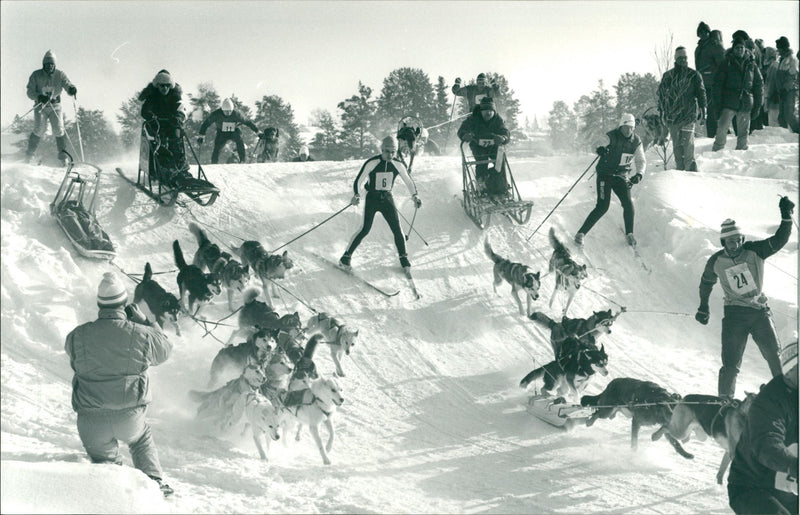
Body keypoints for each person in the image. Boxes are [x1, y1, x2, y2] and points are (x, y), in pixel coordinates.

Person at [64, 272, 174, 496]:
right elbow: (165, 350)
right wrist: (145, 321)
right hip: (129, 418)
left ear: (99, 304)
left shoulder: (77, 335)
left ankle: (115, 492)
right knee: (141, 438)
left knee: (108, 468)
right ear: (124, 304)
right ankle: (154, 483)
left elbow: (72, 356)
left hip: (91, 422)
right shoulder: (141, 334)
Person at [695, 196, 794, 398]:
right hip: (734, 316)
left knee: (775, 357)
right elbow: (706, 283)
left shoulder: (755, 250)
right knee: (730, 364)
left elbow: (780, 240)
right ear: (723, 241)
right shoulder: (716, 260)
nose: (735, 244)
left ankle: (788, 397)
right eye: (730, 241)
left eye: (738, 240)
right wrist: (703, 307)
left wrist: (786, 216)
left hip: (759, 313)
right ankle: (724, 404)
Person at [727, 341, 798, 515]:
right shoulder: (771, 401)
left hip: (789, 493)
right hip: (754, 488)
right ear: (791, 371)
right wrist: (794, 465)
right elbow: (767, 445)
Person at [339, 136, 421, 272]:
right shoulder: (372, 162)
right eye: (387, 151)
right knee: (365, 229)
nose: (390, 155)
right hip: (372, 198)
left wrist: (415, 196)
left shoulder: (398, 164)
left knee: (397, 228)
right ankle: (346, 257)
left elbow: (409, 181)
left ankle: (403, 258)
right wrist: (356, 195)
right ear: (382, 150)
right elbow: (358, 180)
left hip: (387, 198)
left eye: (393, 152)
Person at [574, 113, 645, 247]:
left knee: (628, 204)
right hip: (605, 175)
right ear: (620, 127)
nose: (628, 131)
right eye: (625, 127)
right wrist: (599, 149)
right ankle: (581, 234)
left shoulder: (636, 141)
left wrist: (639, 174)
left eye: (631, 128)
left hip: (621, 176)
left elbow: (640, 159)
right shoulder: (612, 136)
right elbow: (598, 142)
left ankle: (630, 234)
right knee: (603, 206)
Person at [658, 46, 707, 171]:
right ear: (676, 59)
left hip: (689, 114)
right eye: (680, 58)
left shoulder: (694, 75)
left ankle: (690, 168)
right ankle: (679, 170)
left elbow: (701, 93)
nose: (683, 60)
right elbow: (662, 96)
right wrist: (662, 112)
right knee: (677, 145)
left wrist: (703, 108)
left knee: (688, 144)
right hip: (672, 116)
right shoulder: (668, 76)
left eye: (685, 57)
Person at [25, 50, 77, 165]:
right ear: (43, 65)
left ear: (55, 65)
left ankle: (63, 158)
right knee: (39, 129)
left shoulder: (60, 74)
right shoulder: (36, 75)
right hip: (41, 106)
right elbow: (29, 91)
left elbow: (67, 83)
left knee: (59, 129)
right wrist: (39, 96)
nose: (50, 67)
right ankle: (29, 156)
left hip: (55, 106)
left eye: (52, 64)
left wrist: (71, 89)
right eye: (47, 65)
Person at [712, 35, 763, 151]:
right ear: (733, 49)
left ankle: (741, 153)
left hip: (745, 102)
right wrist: (717, 105)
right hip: (728, 102)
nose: (739, 50)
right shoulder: (725, 64)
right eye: (737, 48)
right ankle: (717, 152)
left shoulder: (752, 65)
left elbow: (758, 85)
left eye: (741, 47)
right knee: (722, 128)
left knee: (743, 132)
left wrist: (758, 105)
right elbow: (717, 85)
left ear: (745, 49)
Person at [139, 69, 189, 176]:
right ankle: (154, 170)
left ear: (170, 85)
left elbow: (181, 109)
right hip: (155, 123)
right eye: (162, 85)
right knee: (156, 141)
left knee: (177, 136)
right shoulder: (152, 95)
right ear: (157, 85)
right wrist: (151, 117)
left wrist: (178, 117)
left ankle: (180, 168)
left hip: (171, 123)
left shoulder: (175, 94)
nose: (164, 88)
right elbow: (144, 111)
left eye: (167, 85)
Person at [457, 96, 511, 196]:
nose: (488, 113)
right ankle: (481, 187)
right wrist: (465, 135)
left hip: (493, 146)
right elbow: (462, 130)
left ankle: (500, 186)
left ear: (494, 111)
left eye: (491, 110)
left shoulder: (498, 120)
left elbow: (505, 132)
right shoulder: (473, 119)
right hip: (478, 145)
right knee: (482, 162)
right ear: (481, 111)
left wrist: (503, 138)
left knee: (500, 161)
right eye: (486, 110)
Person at [197, 98, 260, 164]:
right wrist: (201, 135)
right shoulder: (216, 114)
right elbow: (206, 124)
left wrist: (258, 132)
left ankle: (242, 160)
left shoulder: (236, 114)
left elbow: (248, 122)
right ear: (222, 110)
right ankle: (214, 163)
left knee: (240, 141)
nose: (228, 113)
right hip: (222, 132)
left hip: (234, 131)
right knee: (217, 147)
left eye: (230, 111)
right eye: (226, 111)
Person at [695, 22, 725, 137]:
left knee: (714, 111)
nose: (703, 34)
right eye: (701, 32)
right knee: (706, 111)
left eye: (705, 32)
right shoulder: (699, 48)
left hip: (714, 83)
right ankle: (712, 135)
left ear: (709, 32)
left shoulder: (715, 46)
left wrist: (719, 81)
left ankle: (718, 135)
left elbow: (722, 66)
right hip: (703, 83)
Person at [775, 36, 799, 133]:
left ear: (784, 48)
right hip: (782, 91)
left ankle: (798, 132)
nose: (778, 51)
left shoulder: (792, 59)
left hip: (789, 91)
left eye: (779, 48)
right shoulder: (782, 59)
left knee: (789, 115)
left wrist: (786, 89)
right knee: (781, 117)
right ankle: (784, 136)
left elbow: (792, 77)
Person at [763, 47, 781, 127]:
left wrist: (767, 99)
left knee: (773, 124)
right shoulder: (776, 65)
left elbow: (770, 85)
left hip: (773, 100)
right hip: (777, 99)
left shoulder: (773, 66)